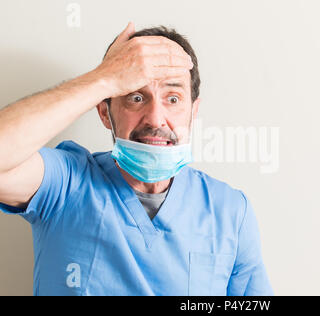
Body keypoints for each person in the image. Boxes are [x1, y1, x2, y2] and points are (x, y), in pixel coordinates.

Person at [0, 22, 273, 296]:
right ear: (105, 112)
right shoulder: (64, 185)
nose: (155, 118)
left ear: (193, 111)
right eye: (136, 97)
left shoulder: (230, 211)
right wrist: (103, 79)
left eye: (173, 98)